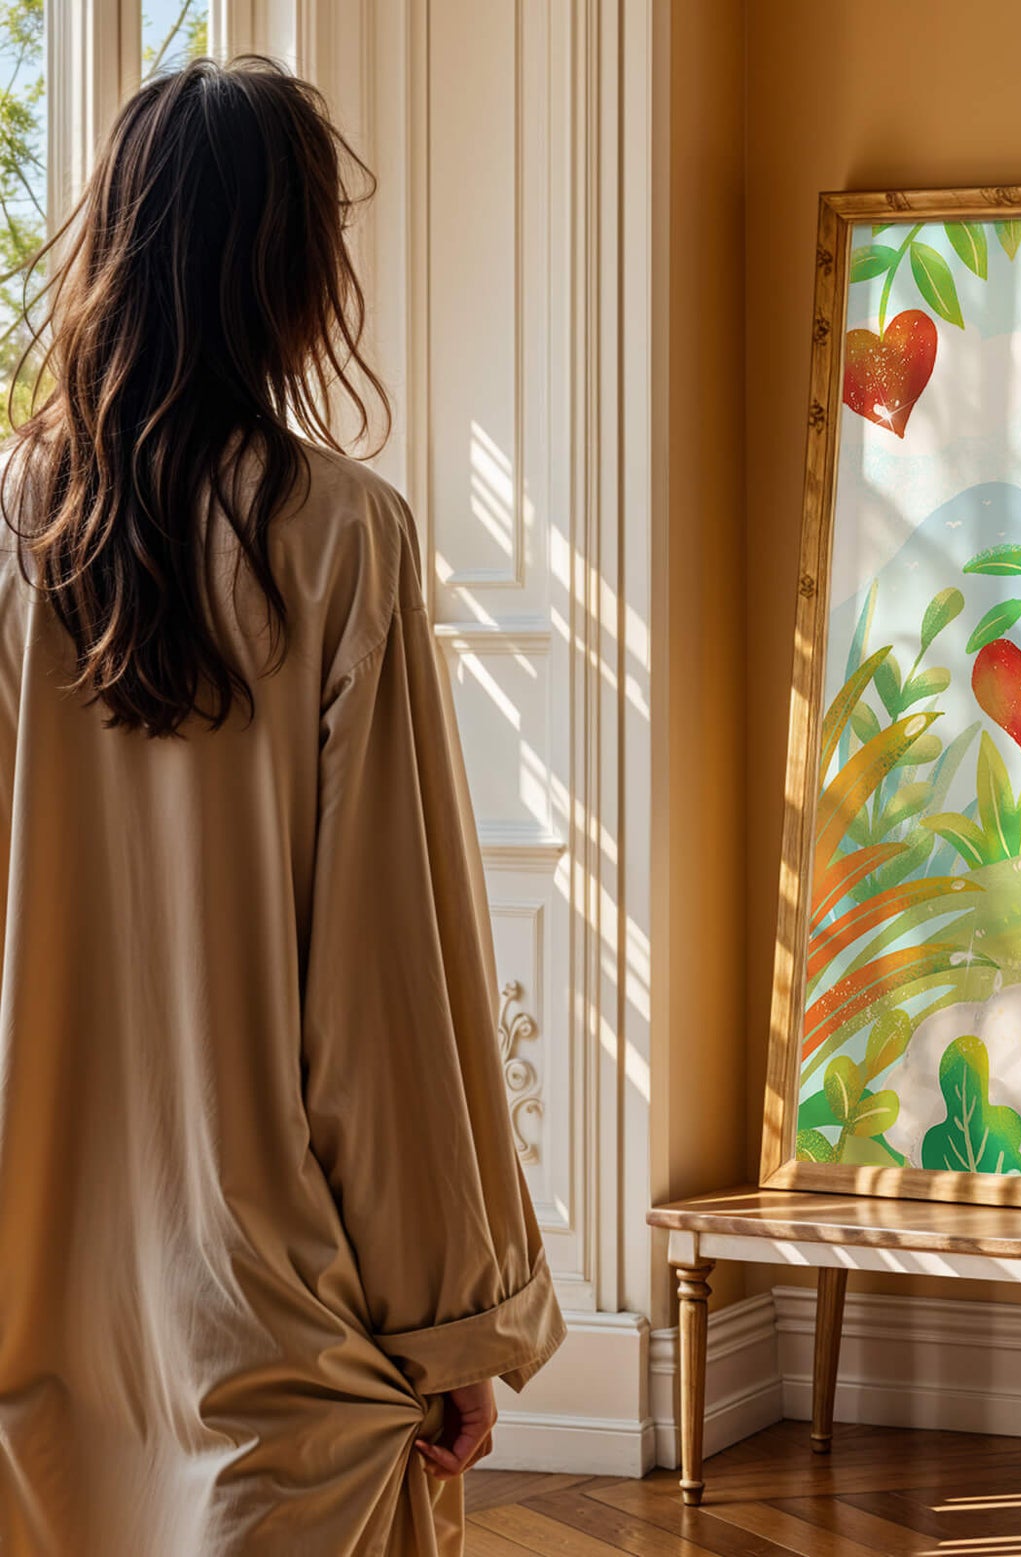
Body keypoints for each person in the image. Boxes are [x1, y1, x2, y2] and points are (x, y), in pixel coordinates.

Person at [0, 57, 563, 1555]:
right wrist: (448, 1330)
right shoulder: (341, 538)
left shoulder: (9, 531)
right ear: (295, 272)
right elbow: (386, 989)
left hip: (24, 1321)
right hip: (264, 1350)